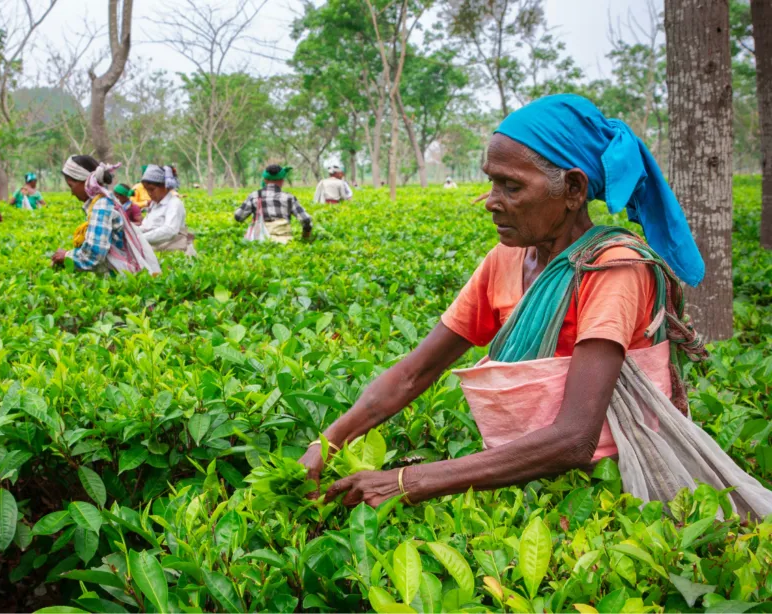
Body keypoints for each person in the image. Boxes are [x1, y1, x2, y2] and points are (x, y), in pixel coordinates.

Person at [301, 95, 772, 516]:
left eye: (510, 186)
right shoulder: (505, 261)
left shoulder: (614, 269)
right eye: (491, 183)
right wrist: (326, 445)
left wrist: (409, 481)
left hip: (621, 491)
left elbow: (575, 438)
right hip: (520, 485)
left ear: (571, 189)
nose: (491, 202)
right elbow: (412, 374)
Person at [50, 155, 159, 276]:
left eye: (71, 186)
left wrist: (65, 256)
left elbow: (93, 256)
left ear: (85, 181)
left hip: (122, 279)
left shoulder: (101, 205)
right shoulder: (104, 201)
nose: (72, 192)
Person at [235, 164, 312, 244]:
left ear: (265, 180)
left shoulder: (254, 196)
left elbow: (238, 217)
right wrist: (305, 237)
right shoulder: (289, 197)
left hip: (259, 242)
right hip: (284, 242)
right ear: (282, 180)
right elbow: (306, 219)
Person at [139, 164, 197, 257]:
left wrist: (140, 238)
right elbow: (146, 226)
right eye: (147, 190)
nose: (149, 193)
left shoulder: (174, 203)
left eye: (152, 189)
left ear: (165, 187)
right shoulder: (154, 204)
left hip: (175, 254)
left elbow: (170, 231)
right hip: (159, 253)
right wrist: (133, 232)